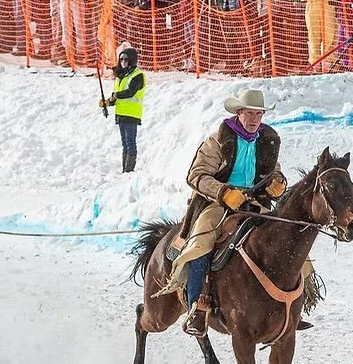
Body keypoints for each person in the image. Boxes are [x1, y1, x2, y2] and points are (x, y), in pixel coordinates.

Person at [154, 88, 287, 337]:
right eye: (249, 113)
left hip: (253, 205)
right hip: (216, 204)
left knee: (285, 239)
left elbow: (274, 172)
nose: (254, 119)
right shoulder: (218, 140)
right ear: (239, 113)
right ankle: (197, 306)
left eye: (258, 114)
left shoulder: (267, 141)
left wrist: (277, 184)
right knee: (202, 242)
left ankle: (293, 304)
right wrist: (223, 193)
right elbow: (196, 175)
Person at [99, 45, 145, 173]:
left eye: (125, 59)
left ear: (132, 60)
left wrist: (115, 95)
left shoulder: (137, 75)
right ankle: (125, 170)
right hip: (121, 113)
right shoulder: (122, 76)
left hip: (131, 114)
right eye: (121, 59)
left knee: (130, 142)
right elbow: (118, 95)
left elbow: (130, 92)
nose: (123, 62)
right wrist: (108, 102)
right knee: (124, 143)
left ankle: (129, 170)